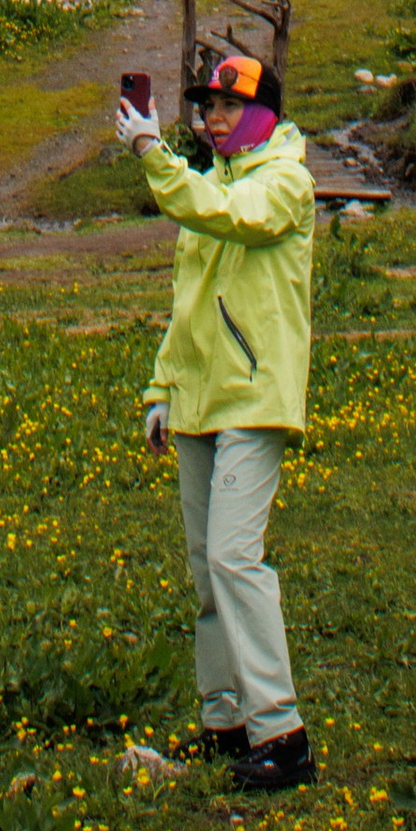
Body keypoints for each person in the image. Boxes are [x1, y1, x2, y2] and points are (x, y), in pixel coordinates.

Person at [116, 47, 316, 791]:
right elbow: (189, 304)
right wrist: (161, 388)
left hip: (256, 396)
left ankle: (282, 732)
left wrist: (152, 155)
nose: (216, 117)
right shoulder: (210, 182)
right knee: (208, 567)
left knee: (236, 557)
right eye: (208, 107)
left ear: (265, 114)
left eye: (231, 106)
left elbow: (231, 219)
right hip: (200, 399)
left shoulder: (284, 183)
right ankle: (225, 718)